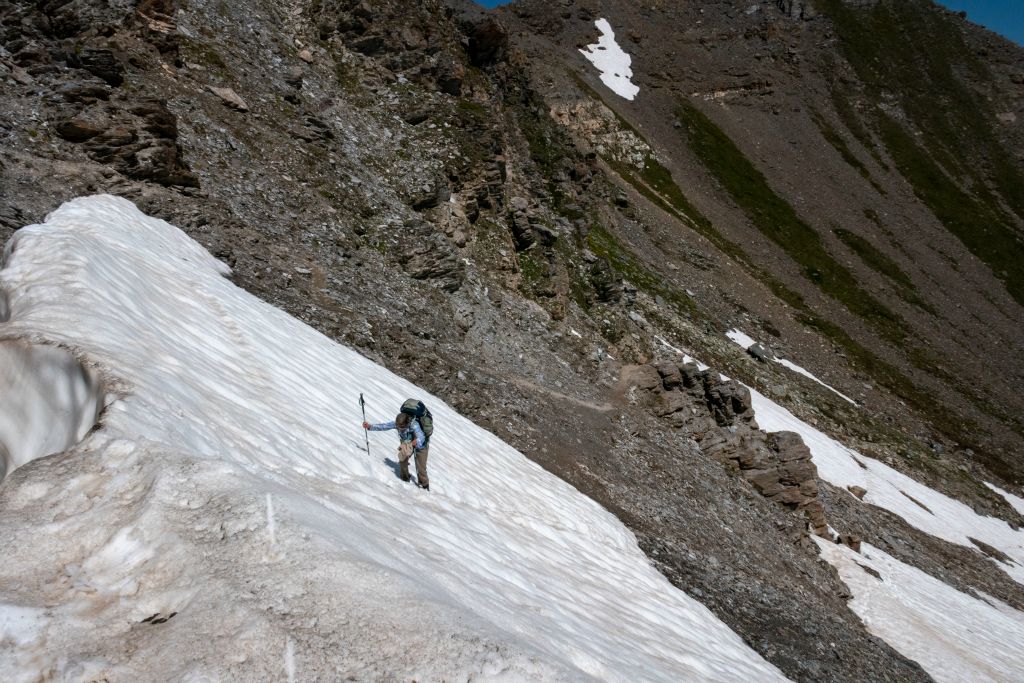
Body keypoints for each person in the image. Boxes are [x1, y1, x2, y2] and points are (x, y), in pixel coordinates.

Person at [363, 410, 430, 490]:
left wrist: (417, 441)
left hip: (421, 445)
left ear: (407, 423)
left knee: (421, 467)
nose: (400, 429)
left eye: (402, 428)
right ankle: (405, 478)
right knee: (402, 459)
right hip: (406, 443)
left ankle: (424, 485)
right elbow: (384, 426)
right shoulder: (397, 424)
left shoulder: (414, 425)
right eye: (399, 427)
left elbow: (421, 437)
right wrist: (370, 427)